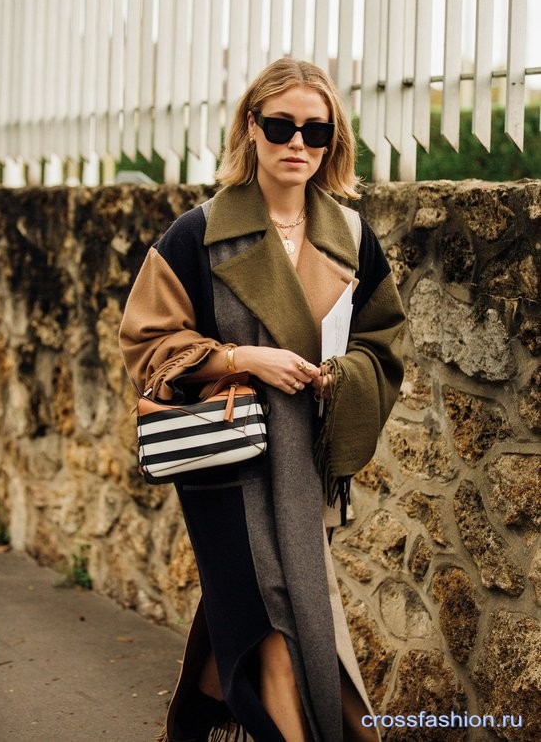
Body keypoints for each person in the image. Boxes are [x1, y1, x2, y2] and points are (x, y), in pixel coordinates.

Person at [119, 58, 405, 742]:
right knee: (276, 616)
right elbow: (147, 341)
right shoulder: (198, 233)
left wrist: (342, 378)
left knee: (278, 608)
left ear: (332, 138)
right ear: (252, 128)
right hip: (225, 463)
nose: (297, 143)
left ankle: (205, 710)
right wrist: (239, 357)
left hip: (306, 463)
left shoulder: (353, 238)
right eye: (280, 126)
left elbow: (384, 343)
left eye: (315, 129)